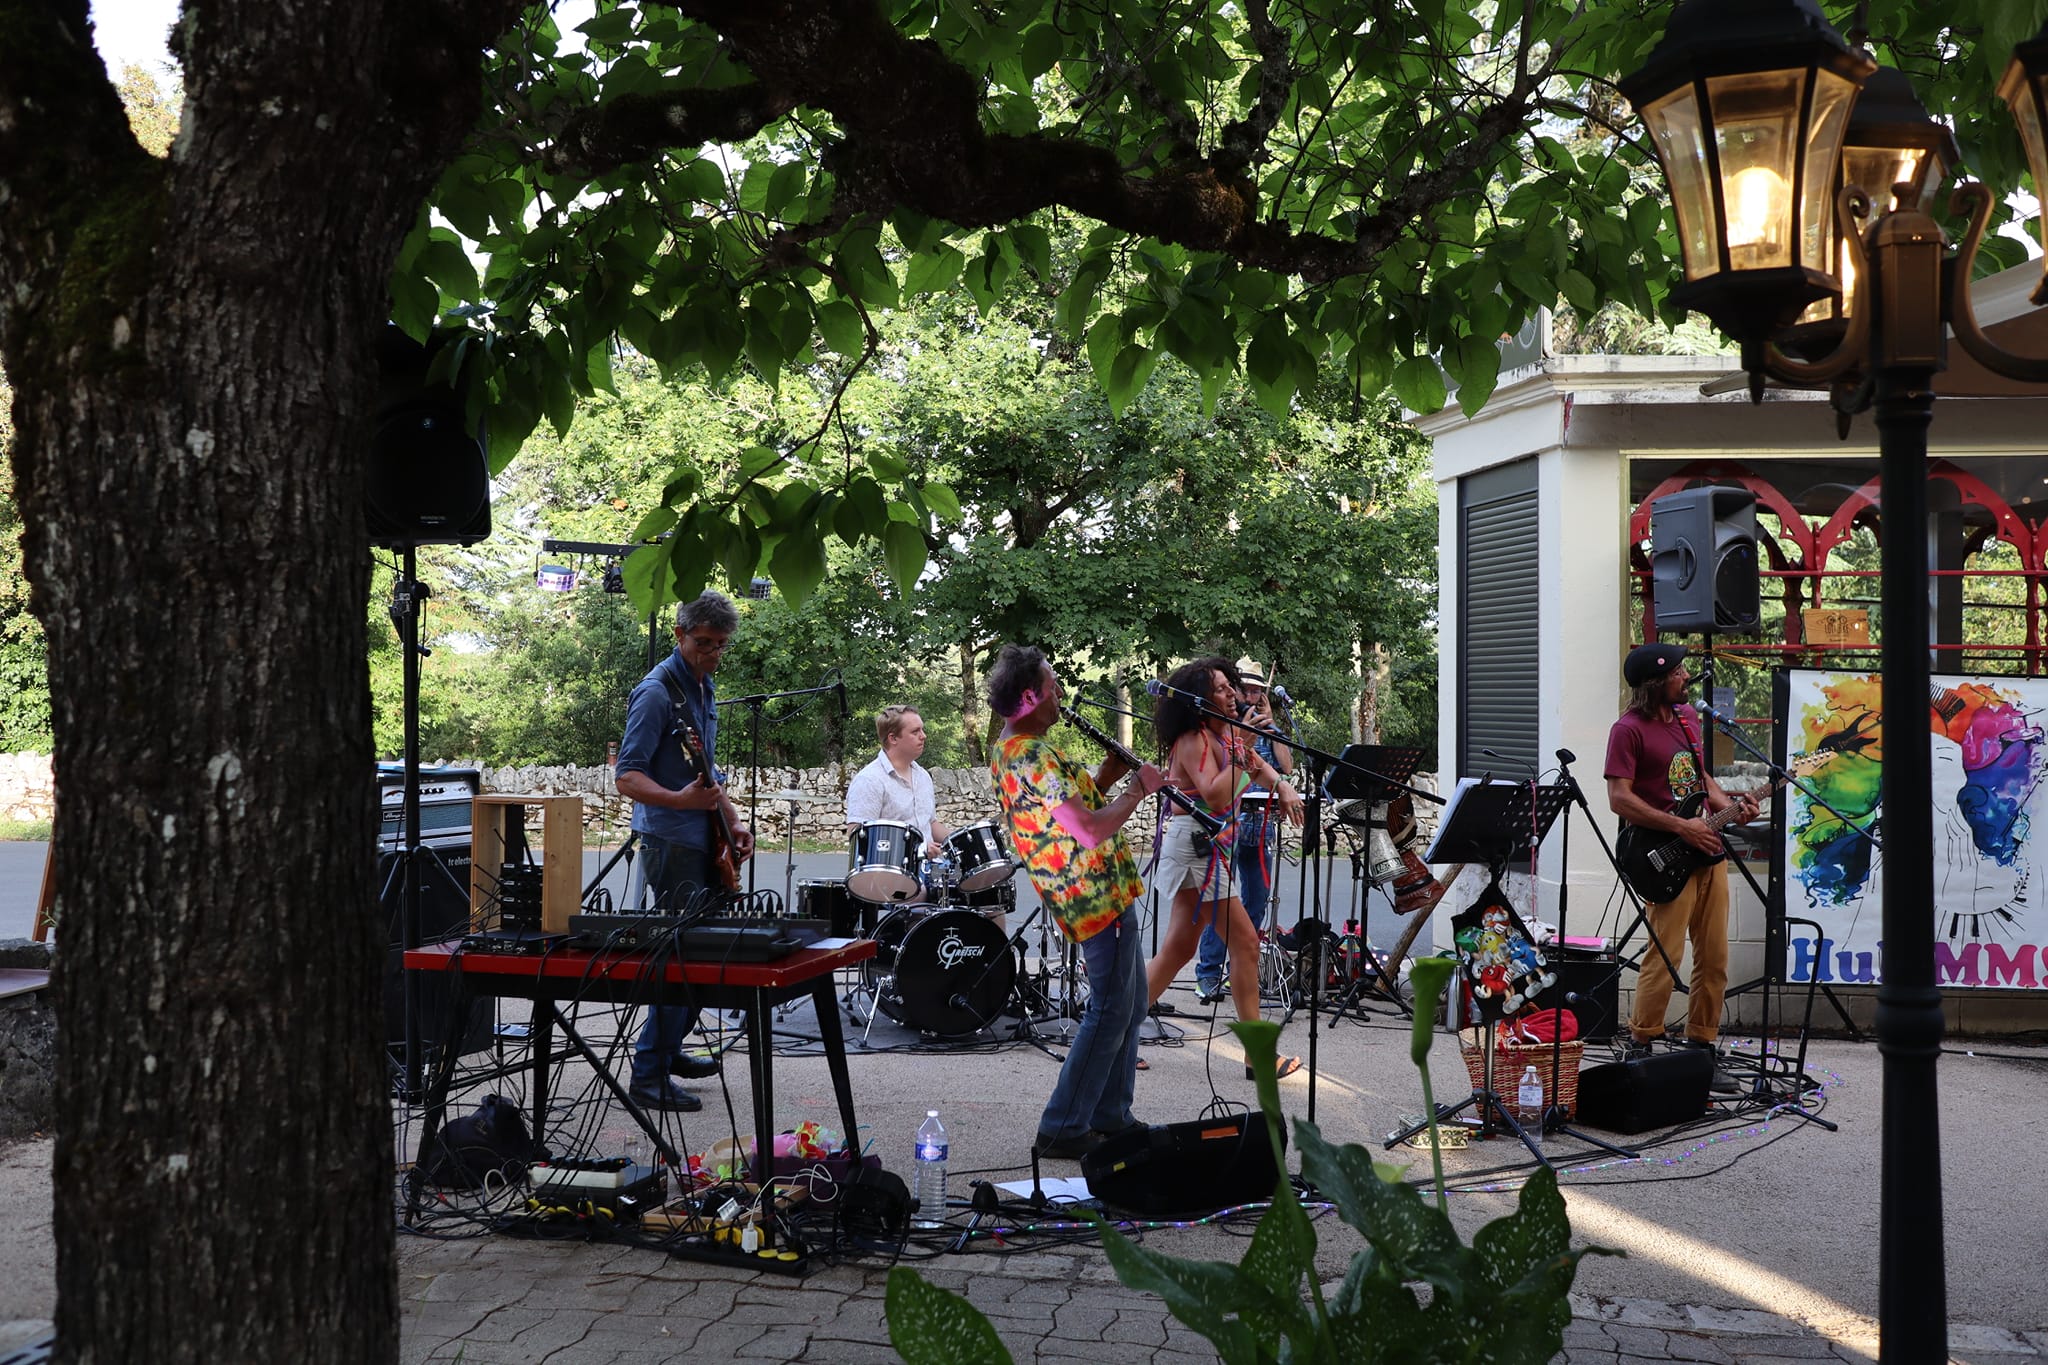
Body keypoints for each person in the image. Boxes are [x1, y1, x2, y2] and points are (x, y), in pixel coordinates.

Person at [986, 644, 1164, 1160]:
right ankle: (1063, 1125)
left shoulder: (1023, 750)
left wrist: (1108, 776)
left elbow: (1075, 806)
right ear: (1028, 697)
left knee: (1130, 1006)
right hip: (1090, 894)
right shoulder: (1029, 755)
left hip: (1102, 889)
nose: (1061, 695)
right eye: (1052, 687)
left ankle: (1111, 1113)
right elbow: (1087, 829)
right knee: (1109, 1009)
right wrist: (1137, 789)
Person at [613, 590, 757, 1112]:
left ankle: (668, 1050)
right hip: (669, 839)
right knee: (681, 960)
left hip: (704, 837)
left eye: (721, 646)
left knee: (704, 956)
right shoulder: (654, 694)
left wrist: (733, 820)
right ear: (679, 635)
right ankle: (649, 1074)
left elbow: (709, 775)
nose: (712, 654)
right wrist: (679, 799)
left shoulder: (704, 685)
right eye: (703, 644)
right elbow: (626, 776)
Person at [1144, 657, 1306, 1079]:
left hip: (1203, 850)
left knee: (1178, 949)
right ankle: (1257, 1057)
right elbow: (1216, 797)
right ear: (1200, 700)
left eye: (1230, 686)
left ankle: (1112, 1034)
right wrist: (1240, 749)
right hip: (1194, 849)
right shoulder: (1194, 738)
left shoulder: (1223, 736)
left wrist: (1284, 787)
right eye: (1220, 689)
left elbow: (1261, 767)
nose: (1232, 695)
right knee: (1246, 943)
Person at [1604, 642, 1755, 1094]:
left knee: (1715, 957)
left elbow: (1699, 779)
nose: (1686, 676)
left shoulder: (1689, 721)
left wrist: (1729, 807)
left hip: (1708, 853)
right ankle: (1641, 1044)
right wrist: (1681, 828)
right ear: (1656, 682)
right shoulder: (1627, 730)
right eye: (1679, 671)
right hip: (1664, 856)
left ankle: (1701, 1050)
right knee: (1665, 954)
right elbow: (1619, 798)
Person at [1193, 661, 1294, 1004]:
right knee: (1218, 908)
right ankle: (1207, 975)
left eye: (1256, 690)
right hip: (1224, 828)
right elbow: (1219, 778)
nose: (1249, 695)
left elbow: (1285, 765)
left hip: (1258, 826)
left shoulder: (1262, 724)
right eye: (1245, 689)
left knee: (1255, 899)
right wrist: (1244, 737)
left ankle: (1240, 969)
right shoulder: (1223, 724)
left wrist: (1273, 728)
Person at [844, 704, 950, 848]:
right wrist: (917, 849)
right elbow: (858, 837)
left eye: (922, 729)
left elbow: (930, 823)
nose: (923, 736)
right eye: (915, 732)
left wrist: (965, 838)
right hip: (891, 868)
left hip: (929, 868)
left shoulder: (923, 776)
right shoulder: (869, 780)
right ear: (893, 738)